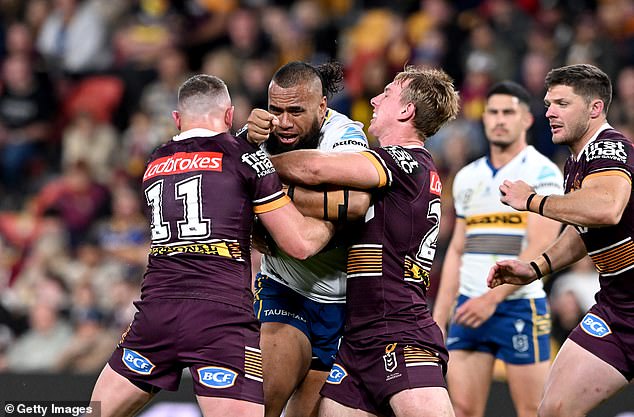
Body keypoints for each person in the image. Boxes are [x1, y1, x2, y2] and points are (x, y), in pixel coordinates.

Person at [89, 74, 335, 417]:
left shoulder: (155, 162)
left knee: (96, 413)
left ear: (177, 119)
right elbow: (300, 244)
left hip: (156, 313)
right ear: (230, 115)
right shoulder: (246, 158)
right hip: (220, 318)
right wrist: (332, 223)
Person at [263, 66, 460, 417]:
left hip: (399, 329)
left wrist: (256, 167)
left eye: (386, 93)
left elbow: (316, 169)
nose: (373, 99)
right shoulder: (409, 166)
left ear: (406, 111)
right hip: (358, 339)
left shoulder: (403, 161)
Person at [488, 63, 634, 417]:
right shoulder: (576, 163)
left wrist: (534, 201)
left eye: (562, 104)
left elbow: (607, 208)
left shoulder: (609, 149)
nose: (549, 112)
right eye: (549, 103)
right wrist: (535, 268)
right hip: (617, 310)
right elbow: (586, 231)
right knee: (553, 410)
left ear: (595, 108)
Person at [245, 61, 370, 417]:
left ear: (322, 108)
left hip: (346, 302)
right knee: (263, 401)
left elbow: (355, 203)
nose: (283, 122)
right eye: (275, 110)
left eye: (295, 111)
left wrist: (266, 186)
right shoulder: (253, 137)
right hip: (285, 289)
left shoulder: (344, 134)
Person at [432, 81, 563, 417]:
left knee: (533, 410)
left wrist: (490, 300)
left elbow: (540, 245)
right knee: (461, 409)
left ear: (527, 120)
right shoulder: (466, 177)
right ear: (484, 118)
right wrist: (438, 317)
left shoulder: (543, 172)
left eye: (509, 112)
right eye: (493, 112)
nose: (499, 119)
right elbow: (458, 250)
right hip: (468, 305)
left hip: (519, 306)